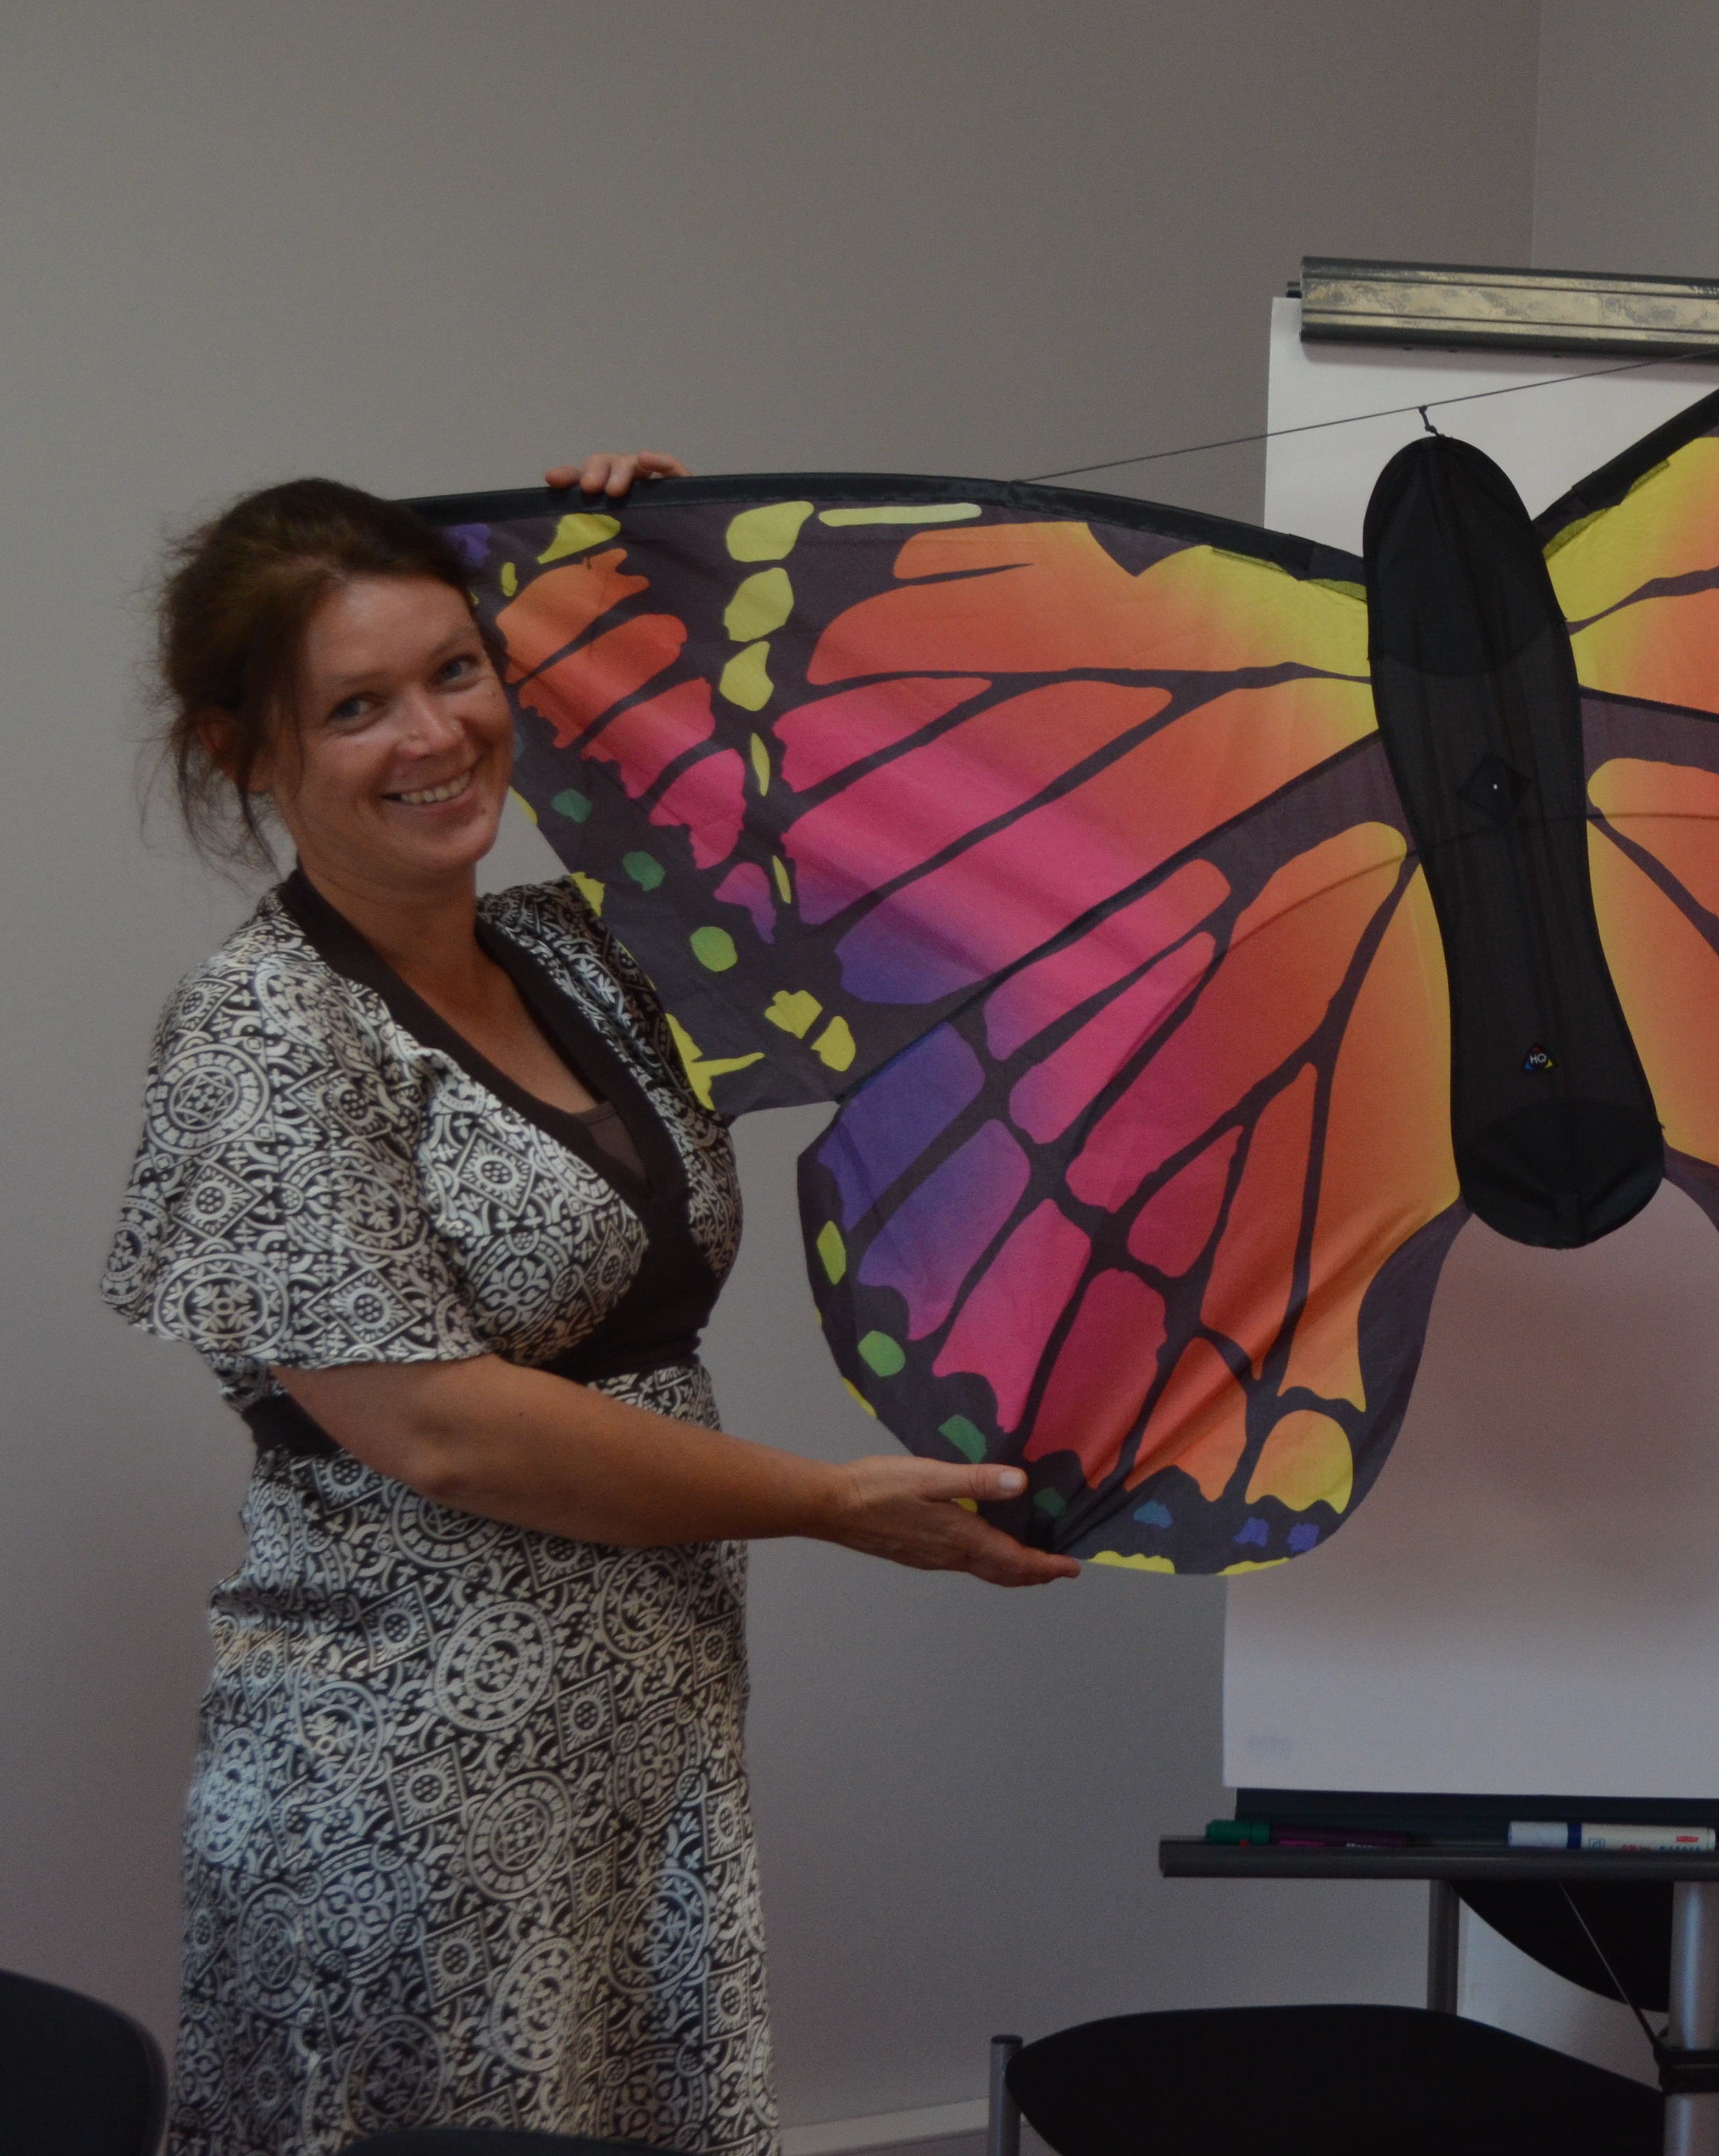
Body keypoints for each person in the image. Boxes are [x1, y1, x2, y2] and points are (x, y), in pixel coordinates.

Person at [102, 455, 1079, 2156]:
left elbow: (847, 834)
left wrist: (646, 577)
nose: (434, 736)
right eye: (356, 707)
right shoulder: (267, 1033)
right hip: (402, 1796)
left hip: (641, 1757)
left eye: (458, 670)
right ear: (242, 753)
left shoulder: (579, 949)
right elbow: (442, 1426)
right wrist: (837, 1504)